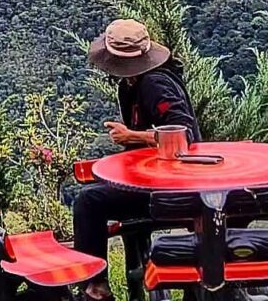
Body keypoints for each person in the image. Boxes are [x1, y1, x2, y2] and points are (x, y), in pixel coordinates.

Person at [73, 19, 201, 301]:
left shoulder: (154, 83)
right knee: (92, 193)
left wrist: (132, 135)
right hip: (153, 178)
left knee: (88, 202)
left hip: (171, 187)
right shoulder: (132, 84)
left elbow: (186, 135)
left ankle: (94, 287)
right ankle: (95, 282)